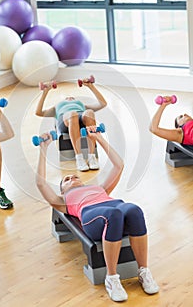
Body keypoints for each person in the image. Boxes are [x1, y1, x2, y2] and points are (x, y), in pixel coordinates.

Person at [36, 127, 159, 302]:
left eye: (74, 177)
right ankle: (111, 278)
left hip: (114, 206)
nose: (72, 178)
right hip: (92, 215)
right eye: (66, 180)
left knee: (134, 210)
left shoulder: (99, 188)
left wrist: (98, 138)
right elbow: (41, 184)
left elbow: (119, 165)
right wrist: (43, 149)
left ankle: (143, 271)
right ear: (62, 190)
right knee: (114, 215)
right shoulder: (62, 200)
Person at [35, 78, 107, 171]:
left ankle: (91, 156)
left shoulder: (82, 106)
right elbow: (38, 112)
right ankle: (79, 158)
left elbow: (102, 104)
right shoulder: (56, 107)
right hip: (65, 120)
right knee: (73, 114)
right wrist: (45, 92)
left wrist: (91, 86)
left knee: (89, 112)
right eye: (66, 99)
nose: (70, 97)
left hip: (81, 116)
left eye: (73, 98)